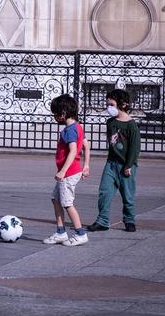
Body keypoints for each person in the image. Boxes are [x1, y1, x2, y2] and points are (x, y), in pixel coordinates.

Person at [87, 89, 141, 233]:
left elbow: (135, 148)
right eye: (108, 104)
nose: (108, 108)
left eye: (111, 104)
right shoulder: (110, 122)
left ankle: (129, 220)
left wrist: (129, 165)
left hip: (126, 166)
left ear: (123, 104)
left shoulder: (131, 125)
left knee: (128, 195)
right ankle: (102, 221)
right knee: (104, 191)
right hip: (111, 164)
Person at [43, 94, 91, 246]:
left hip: (68, 174)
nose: (54, 117)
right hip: (72, 171)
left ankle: (80, 234)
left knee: (67, 203)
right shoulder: (77, 126)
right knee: (56, 199)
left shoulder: (69, 130)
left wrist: (63, 171)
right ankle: (60, 232)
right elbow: (86, 145)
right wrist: (86, 165)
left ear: (63, 113)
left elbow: (73, 150)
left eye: (55, 114)